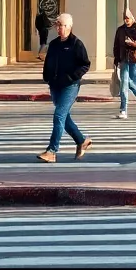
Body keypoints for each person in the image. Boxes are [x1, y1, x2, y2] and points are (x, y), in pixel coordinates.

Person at [38, 13, 91, 163]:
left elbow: (85, 64)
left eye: (63, 25)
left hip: (70, 86)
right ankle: (82, 141)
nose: (60, 28)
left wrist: (72, 77)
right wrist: (47, 77)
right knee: (64, 118)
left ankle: (52, 151)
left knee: (59, 116)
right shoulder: (54, 44)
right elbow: (48, 62)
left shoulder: (76, 44)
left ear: (69, 27)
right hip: (55, 85)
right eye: (58, 25)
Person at [112, 9, 136, 119]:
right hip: (123, 59)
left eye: (128, 18)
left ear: (132, 18)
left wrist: (132, 43)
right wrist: (116, 60)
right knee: (124, 83)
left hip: (135, 59)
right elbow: (116, 45)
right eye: (124, 18)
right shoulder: (120, 30)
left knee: (132, 83)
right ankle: (123, 110)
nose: (126, 20)